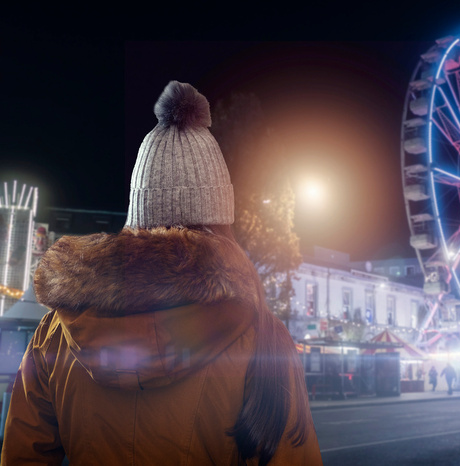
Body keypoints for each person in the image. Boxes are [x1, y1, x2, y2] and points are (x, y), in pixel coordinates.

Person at [1, 81, 322, 466]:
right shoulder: (262, 337)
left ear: (138, 215)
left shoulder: (55, 332)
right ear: (220, 219)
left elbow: (23, 454)